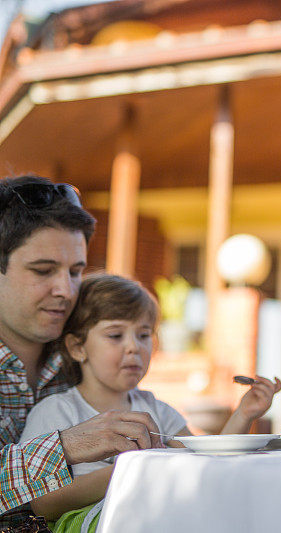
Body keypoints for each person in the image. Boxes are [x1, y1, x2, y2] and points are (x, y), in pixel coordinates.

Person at [21, 273, 281, 531]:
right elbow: (43, 503)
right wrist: (132, 471)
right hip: (89, 520)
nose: (134, 347)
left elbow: (207, 461)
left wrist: (244, 413)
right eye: (115, 335)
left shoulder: (154, 408)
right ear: (78, 347)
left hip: (155, 513)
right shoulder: (56, 410)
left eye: (144, 335)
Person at [0, 175, 167, 529]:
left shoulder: (87, 357)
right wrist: (65, 445)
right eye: (43, 270)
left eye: (76, 271)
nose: (66, 289)